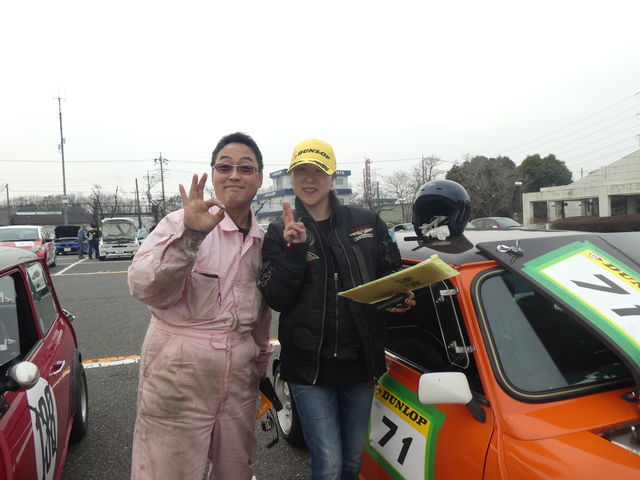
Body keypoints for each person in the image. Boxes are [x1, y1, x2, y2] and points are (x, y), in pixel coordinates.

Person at [258, 138, 415, 480]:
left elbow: (390, 273)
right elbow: (277, 299)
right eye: (301, 171)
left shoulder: (366, 222)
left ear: (332, 177)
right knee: (328, 464)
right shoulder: (278, 231)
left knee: (352, 462)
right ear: (291, 178)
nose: (309, 179)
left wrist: (399, 297)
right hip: (309, 370)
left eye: (318, 171)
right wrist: (295, 251)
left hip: (360, 364)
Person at [127, 132, 272, 480]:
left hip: (239, 378)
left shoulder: (262, 241)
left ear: (259, 179)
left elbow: (261, 317)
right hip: (177, 374)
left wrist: (261, 368)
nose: (234, 175)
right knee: (167, 469)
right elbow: (144, 286)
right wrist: (190, 238)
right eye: (225, 167)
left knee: (235, 468)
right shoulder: (180, 223)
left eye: (245, 168)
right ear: (213, 175)